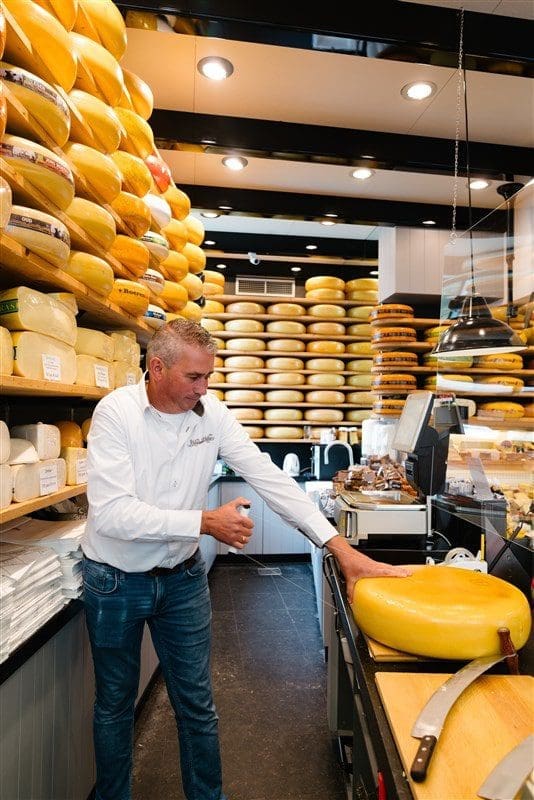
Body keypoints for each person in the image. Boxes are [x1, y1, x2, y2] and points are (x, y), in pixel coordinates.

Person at [82, 318, 409, 800]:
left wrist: (339, 548)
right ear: (156, 367)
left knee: (196, 705)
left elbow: (268, 476)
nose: (204, 388)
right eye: (194, 378)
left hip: (182, 580)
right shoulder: (116, 414)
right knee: (114, 705)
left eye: (209, 376)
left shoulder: (210, 414)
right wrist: (203, 521)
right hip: (115, 580)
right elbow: (111, 513)